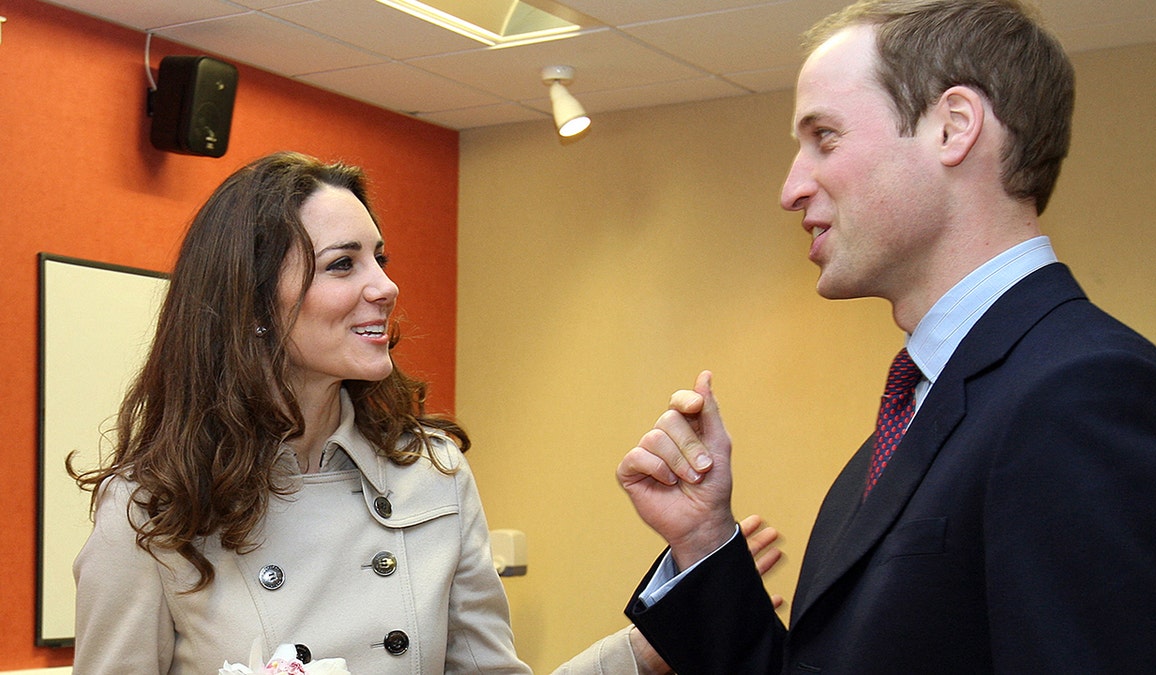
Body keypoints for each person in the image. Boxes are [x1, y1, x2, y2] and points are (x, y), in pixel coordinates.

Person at [615, 0, 1156, 672]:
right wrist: (705, 540)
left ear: (953, 128)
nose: (791, 188)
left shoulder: (1084, 391)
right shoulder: (912, 425)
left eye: (825, 137)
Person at [70, 151, 780, 674]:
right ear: (254, 305)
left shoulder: (431, 472)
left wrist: (652, 644)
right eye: (344, 264)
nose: (386, 285)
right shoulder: (148, 511)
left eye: (380, 257)